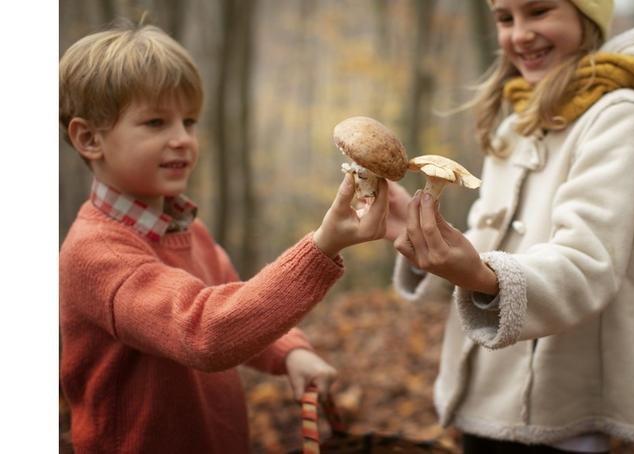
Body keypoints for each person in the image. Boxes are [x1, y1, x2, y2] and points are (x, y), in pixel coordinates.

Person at [59, 21, 388, 453]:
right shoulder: (96, 254)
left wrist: (289, 351)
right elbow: (205, 331)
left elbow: (239, 304)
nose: (182, 139)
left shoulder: (187, 229)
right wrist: (322, 247)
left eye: (189, 121)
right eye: (156, 122)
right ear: (89, 138)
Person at [387, 1, 634, 452]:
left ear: (587, 17)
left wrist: (477, 272)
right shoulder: (516, 124)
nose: (520, 34)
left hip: (559, 404)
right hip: (486, 390)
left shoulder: (620, 117)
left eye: (539, 11)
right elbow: (488, 241)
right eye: (505, 18)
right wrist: (419, 236)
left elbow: (587, 263)